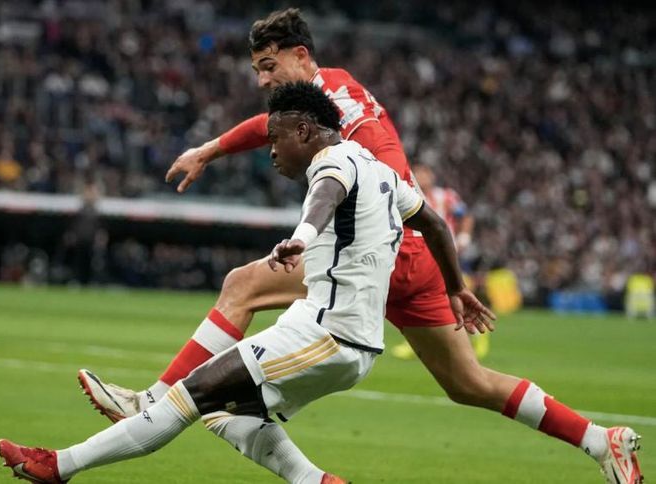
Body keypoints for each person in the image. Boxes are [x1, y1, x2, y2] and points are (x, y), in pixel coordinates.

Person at [78, 9, 643, 483]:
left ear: (301, 56)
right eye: (257, 70)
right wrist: (210, 150)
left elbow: (358, 164)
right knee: (469, 383)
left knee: (242, 286)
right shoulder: (334, 89)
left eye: (269, 66)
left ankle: (152, 401)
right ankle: (601, 440)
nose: (263, 80)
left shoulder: (338, 111)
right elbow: (269, 125)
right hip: (417, 255)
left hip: (385, 253)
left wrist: (342, 222)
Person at [0, 81, 494, 483]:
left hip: (328, 335)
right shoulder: (381, 171)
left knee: (186, 395)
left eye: (277, 138)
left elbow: (325, 197)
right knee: (223, 414)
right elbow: (434, 224)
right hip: (339, 337)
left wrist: (301, 238)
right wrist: (455, 286)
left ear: (305, 130)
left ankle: (58, 466)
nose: (271, 151)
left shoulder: (333, 163)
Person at [389, 162, 488, 360]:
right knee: (423, 297)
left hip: (445, 252)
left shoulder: (446, 196)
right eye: (417, 173)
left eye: (424, 173)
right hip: (421, 253)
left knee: (450, 294)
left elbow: (466, 216)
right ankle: (416, 341)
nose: (420, 176)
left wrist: (464, 237)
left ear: (431, 175)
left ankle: (478, 334)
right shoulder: (408, 195)